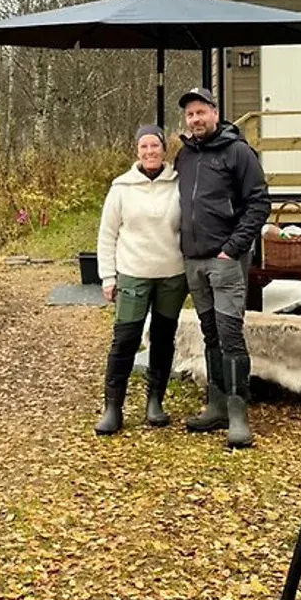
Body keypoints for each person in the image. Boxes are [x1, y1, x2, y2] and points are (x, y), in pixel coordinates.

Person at [174, 86, 272, 448]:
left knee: (230, 335)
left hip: (225, 262)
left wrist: (233, 248)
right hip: (194, 260)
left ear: (215, 113)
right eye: (190, 114)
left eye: (201, 112)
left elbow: (260, 203)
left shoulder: (238, 152)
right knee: (209, 333)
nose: (195, 119)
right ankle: (215, 405)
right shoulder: (184, 156)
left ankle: (237, 414)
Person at [94, 124, 186, 436]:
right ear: (137, 151)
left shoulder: (178, 183)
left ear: (164, 149)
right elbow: (107, 235)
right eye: (144, 147)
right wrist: (108, 276)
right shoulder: (121, 187)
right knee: (125, 340)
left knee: (163, 338)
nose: (150, 152)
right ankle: (113, 407)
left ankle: (155, 402)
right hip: (133, 274)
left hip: (172, 275)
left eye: (155, 146)